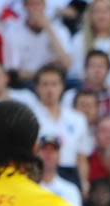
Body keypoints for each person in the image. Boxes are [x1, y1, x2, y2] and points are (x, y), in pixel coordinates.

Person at [32, 63, 90, 191]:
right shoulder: (30, 117)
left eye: (54, 84)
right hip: (40, 173)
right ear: (37, 87)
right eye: (45, 84)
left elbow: (81, 158)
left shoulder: (78, 118)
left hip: (70, 173)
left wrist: (84, 182)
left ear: (62, 86)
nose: (50, 89)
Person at [68, 0, 110, 93]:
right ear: (90, 15)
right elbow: (76, 71)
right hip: (87, 93)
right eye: (97, 11)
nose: (101, 16)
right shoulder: (79, 39)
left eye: (105, 11)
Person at [2, 0, 71, 85]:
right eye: (31, 4)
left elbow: (66, 64)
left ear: (44, 5)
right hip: (27, 83)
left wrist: (48, 28)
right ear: (25, 6)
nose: (35, 8)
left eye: (38, 4)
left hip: (54, 82)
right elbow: (13, 73)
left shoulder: (60, 30)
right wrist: (40, 74)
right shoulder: (13, 33)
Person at [38, 134, 82, 206]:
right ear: (36, 154)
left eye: (53, 150)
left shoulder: (71, 190)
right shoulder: (28, 187)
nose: (48, 154)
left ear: (59, 156)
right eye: (44, 149)